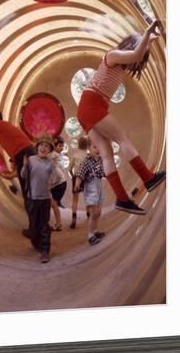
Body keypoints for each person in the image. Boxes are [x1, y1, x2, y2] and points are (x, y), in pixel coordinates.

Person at [77, 20, 166, 215]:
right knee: (122, 138)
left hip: (88, 106)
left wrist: (150, 41)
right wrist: (147, 33)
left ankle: (122, 199)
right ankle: (147, 177)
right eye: (140, 52)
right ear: (132, 46)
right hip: (91, 103)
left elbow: (137, 54)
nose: (138, 61)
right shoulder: (113, 55)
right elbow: (135, 54)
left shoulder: (121, 64)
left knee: (107, 154)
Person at [21, 135, 59, 263]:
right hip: (32, 198)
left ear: (50, 150)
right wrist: (25, 166)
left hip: (44, 199)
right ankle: (36, 243)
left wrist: (51, 183)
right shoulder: (31, 160)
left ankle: (45, 251)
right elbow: (23, 175)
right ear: (37, 147)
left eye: (47, 146)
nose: (44, 148)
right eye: (42, 145)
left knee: (44, 226)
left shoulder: (50, 163)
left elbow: (56, 178)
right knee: (33, 225)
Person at [74, 139, 106, 245]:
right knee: (94, 213)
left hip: (98, 187)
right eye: (94, 147)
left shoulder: (100, 160)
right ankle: (90, 235)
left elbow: (103, 173)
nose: (97, 150)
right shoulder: (86, 161)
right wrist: (78, 183)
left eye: (99, 147)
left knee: (99, 212)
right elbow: (80, 172)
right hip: (91, 188)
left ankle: (95, 230)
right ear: (89, 148)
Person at [69, 135, 89, 228]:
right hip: (86, 178)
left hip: (76, 177)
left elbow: (70, 168)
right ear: (87, 145)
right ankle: (89, 216)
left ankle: (74, 217)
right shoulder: (88, 156)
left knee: (75, 199)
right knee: (87, 197)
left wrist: (73, 175)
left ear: (78, 145)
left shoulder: (75, 155)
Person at [48, 136, 68, 231]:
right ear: (55, 146)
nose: (62, 148)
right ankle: (57, 223)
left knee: (53, 204)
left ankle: (58, 223)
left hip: (59, 184)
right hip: (58, 183)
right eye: (60, 146)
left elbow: (44, 158)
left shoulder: (54, 155)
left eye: (62, 146)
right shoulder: (56, 155)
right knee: (52, 203)